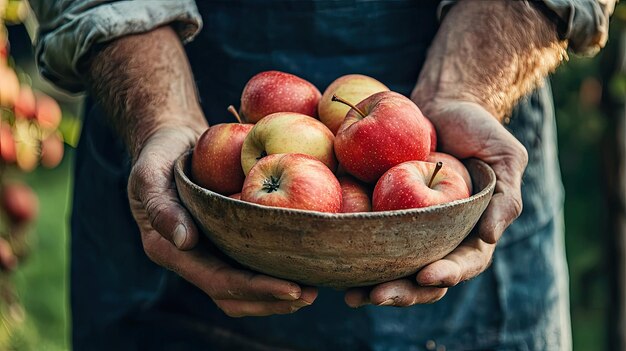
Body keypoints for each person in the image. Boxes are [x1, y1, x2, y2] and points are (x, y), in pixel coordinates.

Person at [30, 1, 614, 350]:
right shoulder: (234, 152)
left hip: (466, 150)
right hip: (181, 157)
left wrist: (467, 86)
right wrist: (160, 116)